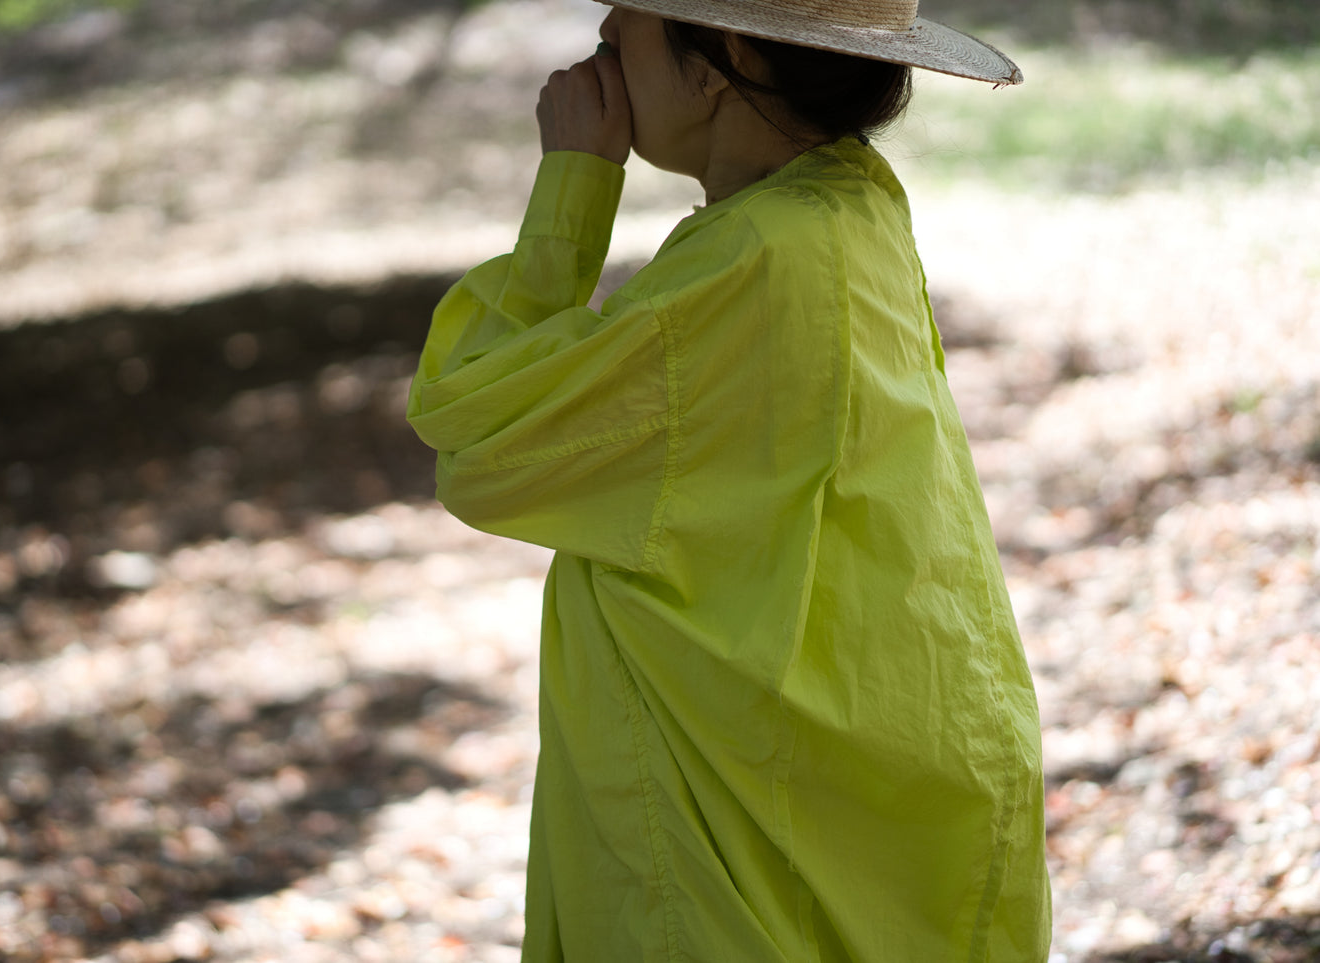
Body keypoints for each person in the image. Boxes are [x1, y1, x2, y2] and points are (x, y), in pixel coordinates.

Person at [406, 0, 1051, 959]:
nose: (602, 56)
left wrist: (572, 188)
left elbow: (480, 441)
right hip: (853, 775)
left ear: (723, 60)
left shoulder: (758, 259)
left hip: (747, 833)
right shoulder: (847, 202)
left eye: (618, 31)